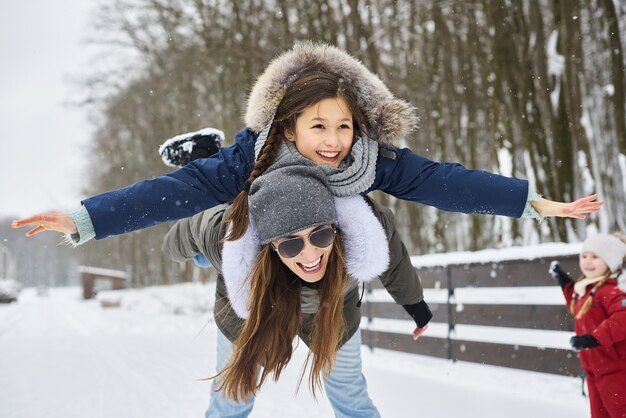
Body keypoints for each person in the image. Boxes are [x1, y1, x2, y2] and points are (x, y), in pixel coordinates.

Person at [11, 41, 601, 242]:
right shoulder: (258, 152)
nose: (334, 141)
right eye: (318, 127)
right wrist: (84, 218)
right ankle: (204, 151)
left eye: (343, 125)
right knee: (208, 222)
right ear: (287, 126)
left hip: (316, 238)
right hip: (250, 209)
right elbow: (169, 194)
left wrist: (531, 201)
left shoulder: (371, 158)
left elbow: (444, 181)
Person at [164, 159, 427, 417]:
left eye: (320, 235)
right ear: (271, 245)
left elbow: (394, 256)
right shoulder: (228, 239)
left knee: (350, 393)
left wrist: (414, 303)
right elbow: (183, 234)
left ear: (334, 227)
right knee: (233, 397)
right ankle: (207, 160)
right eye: (291, 244)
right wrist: (176, 251)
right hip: (257, 302)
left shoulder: (361, 229)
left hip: (332, 306)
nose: (311, 255)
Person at [550, 233, 626, 417]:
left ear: (610, 261)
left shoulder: (611, 291)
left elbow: (622, 318)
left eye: (595, 257)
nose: (588, 261)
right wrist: (565, 283)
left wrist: (594, 338)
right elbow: (579, 309)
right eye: (584, 256)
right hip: (593, 370)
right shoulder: (585, 290)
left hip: (616, 370)